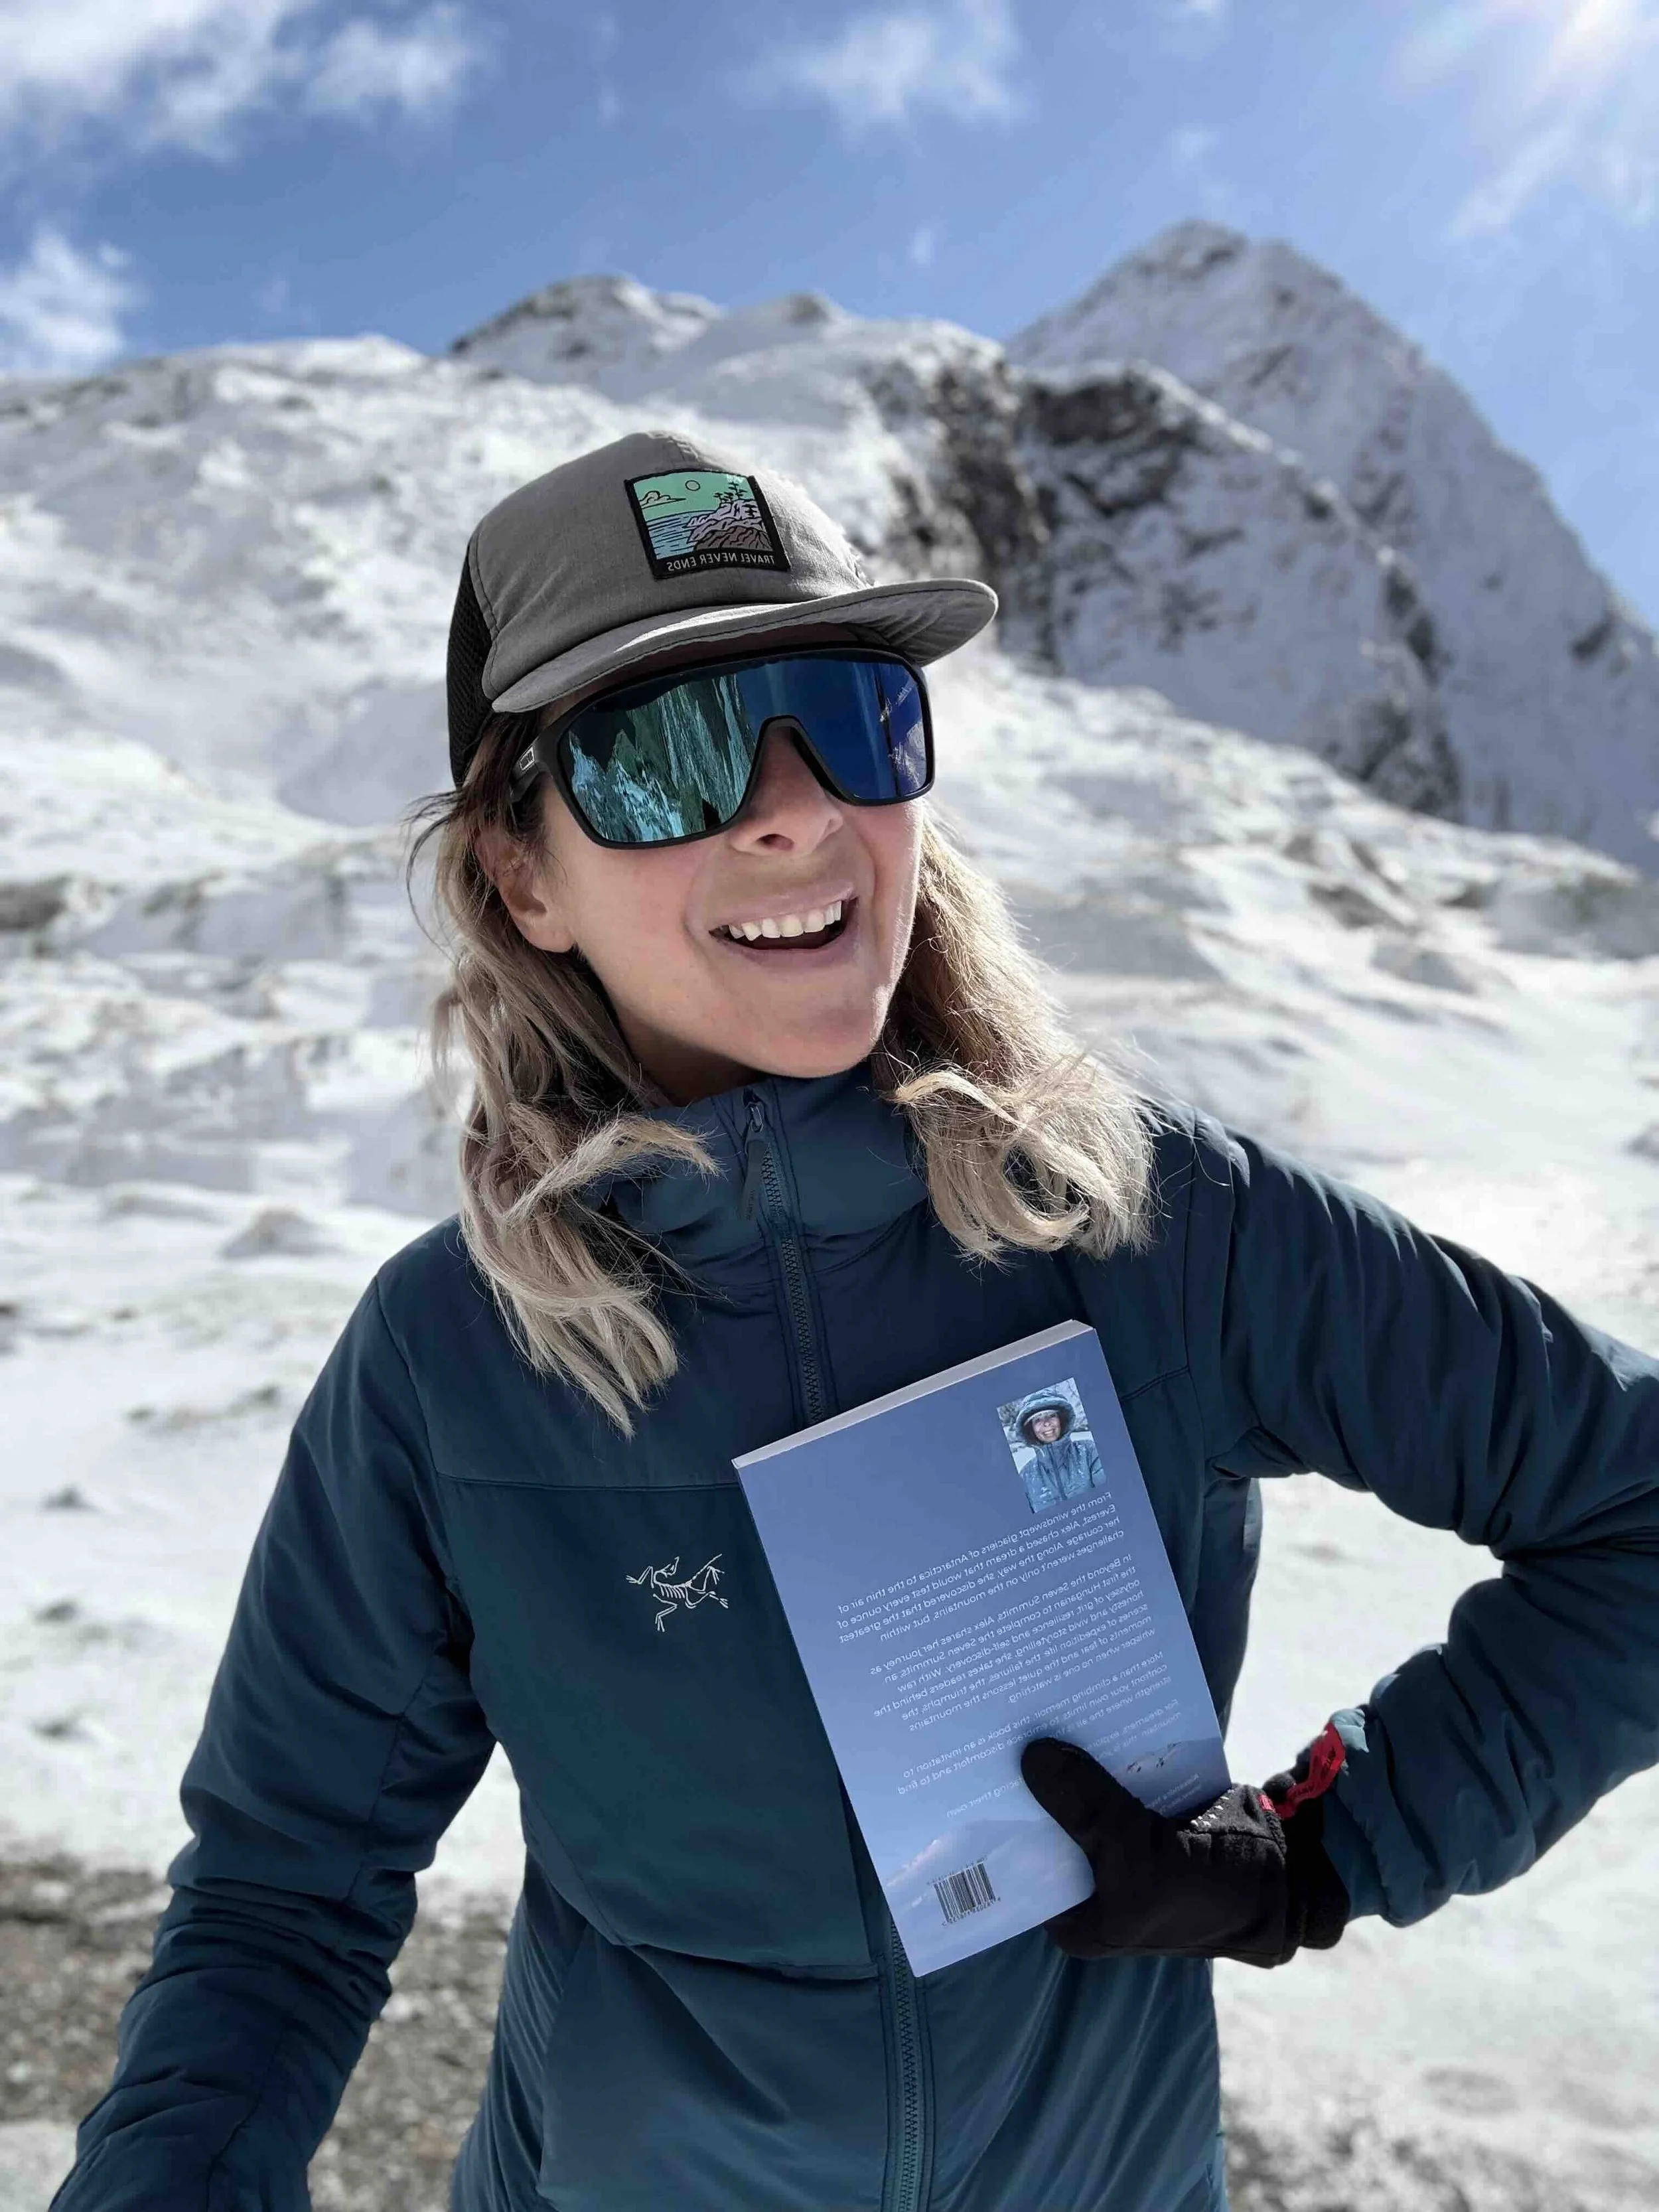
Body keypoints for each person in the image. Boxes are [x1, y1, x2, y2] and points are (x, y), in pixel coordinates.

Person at [54, 429, 1659, 2212]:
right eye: (667, 749)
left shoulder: (1153, 1226)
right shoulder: (449, 1363)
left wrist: (1316, 1852)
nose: (794, 808)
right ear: (523, 874)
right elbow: (282, 1895)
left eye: (851, 715)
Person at [1012, 1388, 1106, 1512]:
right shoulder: (1025, 1476)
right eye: (1037, 1420)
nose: (1047, 1424)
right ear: (1031, 1429)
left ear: (1061, 1420)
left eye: (1051, 1415)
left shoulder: (1089, 1452)